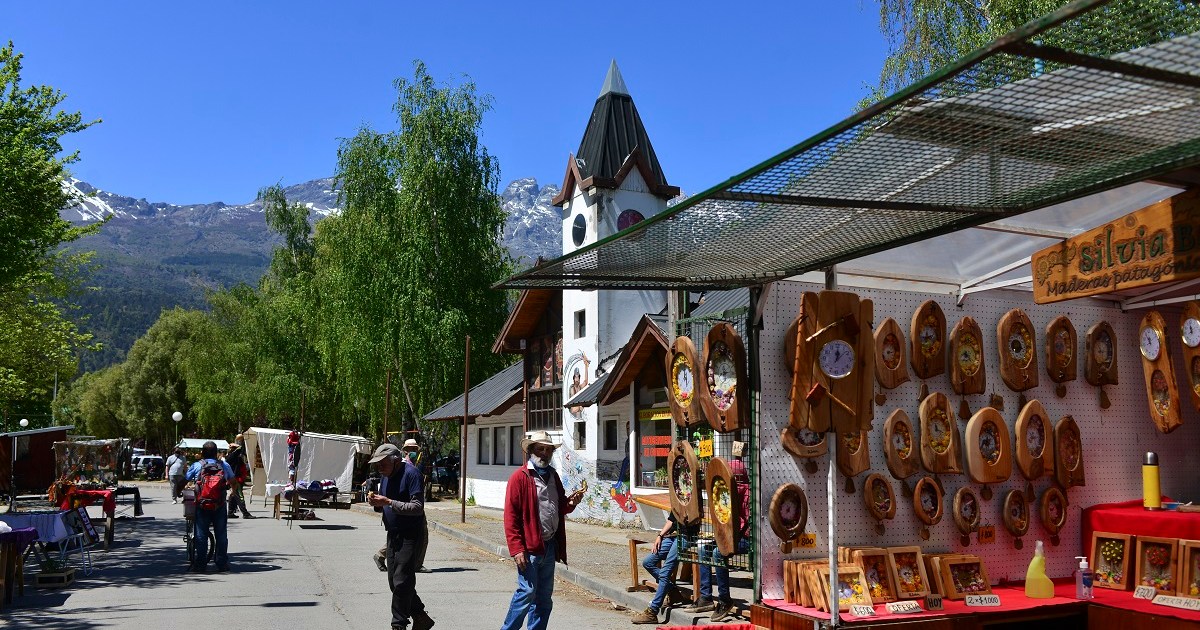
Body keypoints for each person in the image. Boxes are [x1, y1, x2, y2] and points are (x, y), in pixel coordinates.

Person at [501, 431, 584, 630]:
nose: (544, 453)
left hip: (549, 545)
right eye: (540, 449)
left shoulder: (553, 475)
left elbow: (560, 505)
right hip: (529, 549)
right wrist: (516, 548)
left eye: (548, 450)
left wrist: (571, 503)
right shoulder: (519, 478)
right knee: (527, 592)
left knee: (544, 598)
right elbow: (510, 516)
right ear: (530, 451)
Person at [367, 443, 434, 630]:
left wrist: (387, 502)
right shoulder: (386, 476)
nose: (379, 468)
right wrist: (377, 503)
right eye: (377, 464)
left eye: (382, 463)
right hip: (393, 534)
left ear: (395, 461)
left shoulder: (412, 474)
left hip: (411, 533)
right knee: (394, 582)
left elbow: (417, 507)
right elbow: (385, 503)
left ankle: (398, 625)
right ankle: (420, 617)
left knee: (402, 581)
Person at [685, 441, 752, 622]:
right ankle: (706, 597)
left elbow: (748, 524)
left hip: (746, 539)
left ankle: (725, 599)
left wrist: (732, 535)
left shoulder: (748, 493)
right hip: (730, 536)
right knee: (702, 549)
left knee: (717, 553)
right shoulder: (725, 493)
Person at [185, 440, 235, 573]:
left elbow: (185, 479)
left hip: (202, 506)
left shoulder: (197, 465)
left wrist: (178, 492)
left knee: (201, 536)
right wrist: (233, 492)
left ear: (202, 453)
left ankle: (200, 564)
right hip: (219, 505)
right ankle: (222, 564)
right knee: (221, 535)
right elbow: (233, 481)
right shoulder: (224, 465)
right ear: (216, 453)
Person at [630, 515, 689, 624]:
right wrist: (660, 536)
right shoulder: (677, 500)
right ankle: (672, 590)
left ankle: (652, 612)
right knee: (648, 562)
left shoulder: (693, 501)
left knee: (664, 574)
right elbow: (671, 520)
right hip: (672, 536)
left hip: (685, 537)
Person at [224, 435, 255, 519]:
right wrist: (237, 444)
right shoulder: (233, 456)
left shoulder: (231, 457)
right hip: (237, 479)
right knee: (239, 496)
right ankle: (245, 513)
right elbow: (240, 449)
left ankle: (230, 512)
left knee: (233, 495)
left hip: (235, 478)